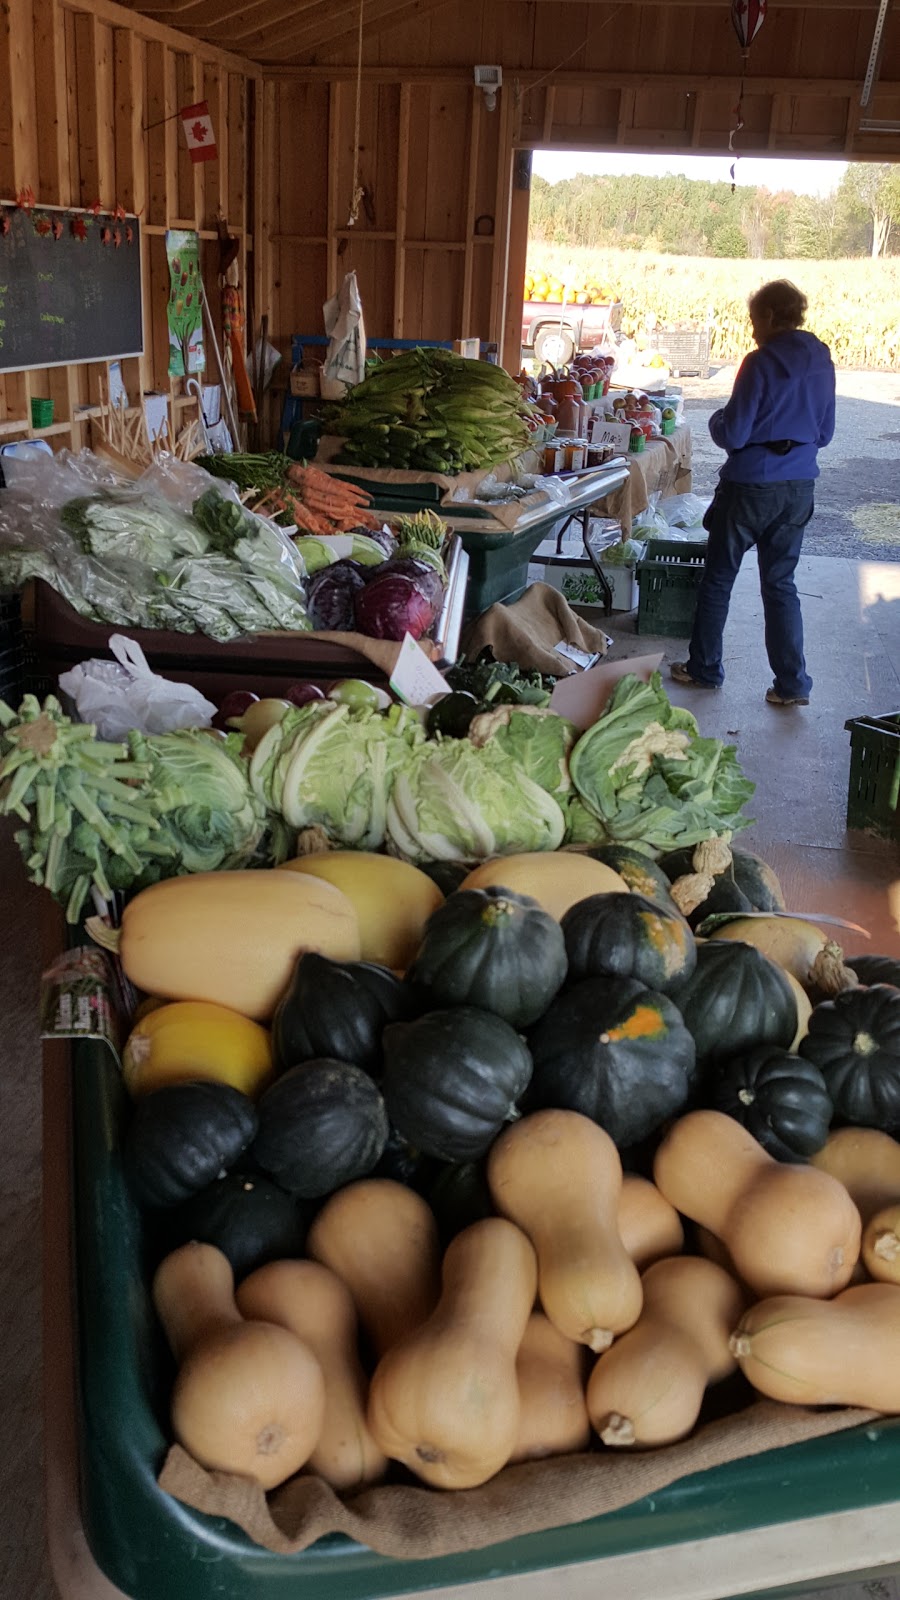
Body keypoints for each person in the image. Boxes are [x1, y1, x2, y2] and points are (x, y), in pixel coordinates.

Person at [671, 279, 835, 707]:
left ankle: (704, 669)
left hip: (749, 487)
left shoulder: (758, 363)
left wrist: (716, 422)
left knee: (718, 579)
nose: (751, 330)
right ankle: (792, 684)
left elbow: (735, 433)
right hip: (799, 487)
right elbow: (826, 432)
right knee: (781, 585)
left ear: (767, 316)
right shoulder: (822, 358)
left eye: (753, 320)